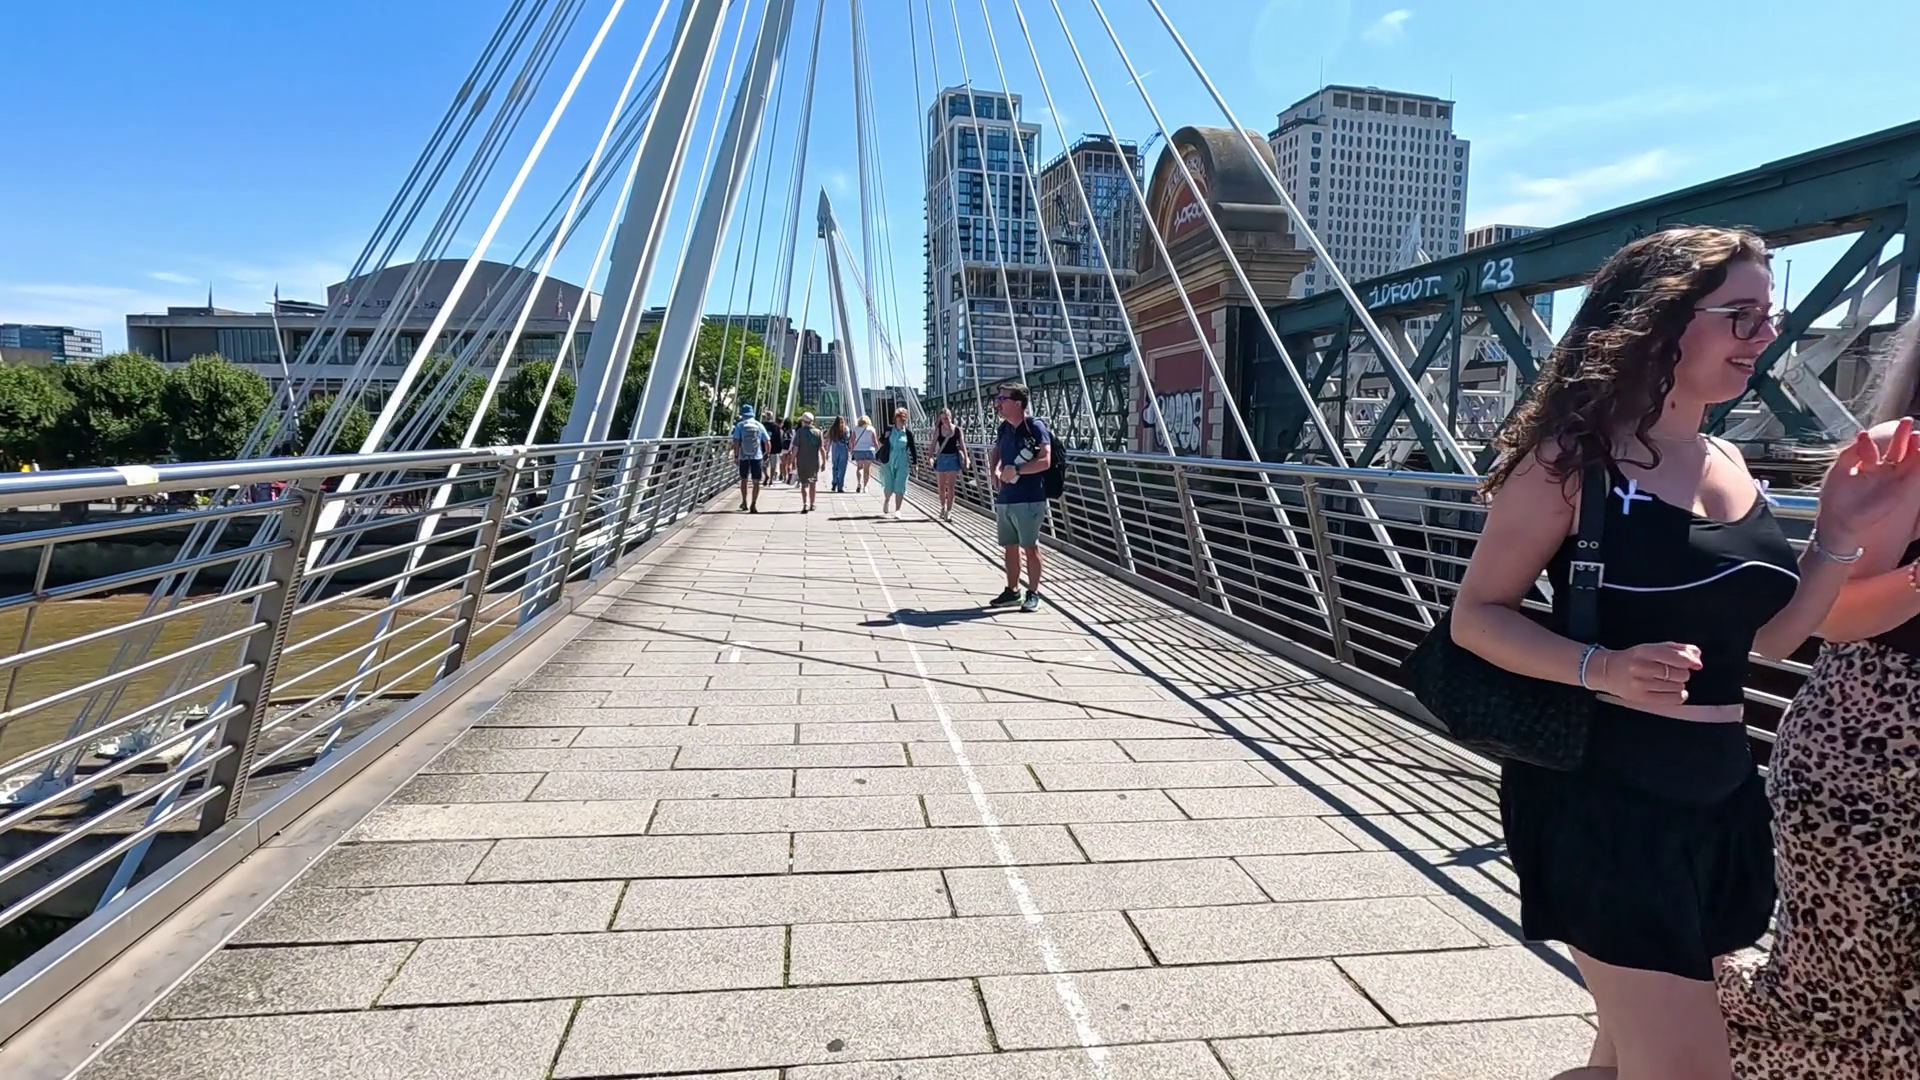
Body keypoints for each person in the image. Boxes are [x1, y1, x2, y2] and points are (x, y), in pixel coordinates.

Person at [1448, 226, 1916, 1080]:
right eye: (1741, 315)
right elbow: (1476, 617)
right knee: (1690, 1066)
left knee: (1627, 1058)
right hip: (1604, 798)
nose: (1764, 336)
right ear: (1660, 321)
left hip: (1718, 795)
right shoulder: (1572, 462)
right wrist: (1602, 668)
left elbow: (1772, 639)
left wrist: (1840, 530)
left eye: (1768, 317)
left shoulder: (1728, 460)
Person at [1718, 321, 1920, 1079]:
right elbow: (1829, 617)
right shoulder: (1902, 451)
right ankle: (1667, 1011)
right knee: (1831, 1000)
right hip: (1873, 762)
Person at [987, 383, 1050, 613]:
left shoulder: (1035, 427)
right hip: (1006, 496)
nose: (998, 403)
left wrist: (1018, 470)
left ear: (1017, 403)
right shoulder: (1004, 428)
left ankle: (1033, 593)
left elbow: (1045, 460)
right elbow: (997, 451)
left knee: (1030, 546)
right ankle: (1012, 591)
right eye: (998, 398)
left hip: (1029, 497)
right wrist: (994, 470)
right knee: (1010, 546)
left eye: (1002, 399)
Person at [728, 403, 770, 513]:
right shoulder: (759, 425)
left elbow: (736, 441)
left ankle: (744, 502)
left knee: (744, 480)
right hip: (757, 456)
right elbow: (767, 441)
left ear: (742, 414)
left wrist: (736, 456)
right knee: (756, 481)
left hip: (744, 456)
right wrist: (767, 453)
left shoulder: (740, 425)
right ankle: (754, 504)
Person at [876, 406, 916, 519]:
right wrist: (885, 437)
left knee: (900, 485)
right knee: (888, 485)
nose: (902, 420)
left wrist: (915, 463)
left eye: (904, 418)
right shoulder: (889, 429)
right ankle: (887, 500)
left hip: (902, 461)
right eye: (900, 418)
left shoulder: (908, 433)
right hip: (889, 460)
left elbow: (912, 448)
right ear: (896, 419)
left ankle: (898, 510)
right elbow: (881, 440)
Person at [931, 407, 968, 521]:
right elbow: (933, 444)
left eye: (946, 418)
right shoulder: (939, 430)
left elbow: (962, 445)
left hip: (953, 458)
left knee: (951, 486)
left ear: (950, 417)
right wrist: (930, 456)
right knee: (941, 486)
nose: (945, 421)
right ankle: (943, 506)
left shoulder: (957, 430)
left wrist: (966, 459)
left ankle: (949, 511)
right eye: (943, 419)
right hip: (942, 458)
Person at [791, 412, 826, 514]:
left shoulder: (799, 432)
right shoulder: (818, 432)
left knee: (804, 484)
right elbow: (822, 449)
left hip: (802, 461)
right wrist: (824, 462)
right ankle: (812, 503)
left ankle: (805, 503)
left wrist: (792, 460)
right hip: (814, 462)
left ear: (803, 421)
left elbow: (795, 448)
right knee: (813, 483)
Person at [850, 415, 879, 493]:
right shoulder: (871, 429)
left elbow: (852, 440)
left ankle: (859, 483)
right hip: (869, 450)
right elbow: (875, 441)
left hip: (858, 450)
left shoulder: (856, 429)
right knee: (867, 469)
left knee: (859, 468)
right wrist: (877, 449)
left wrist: (852, 449)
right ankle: (865, 487)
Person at [826, 416, 851, 493]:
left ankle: (834, 482)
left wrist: (827, 452)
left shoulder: (832, 429)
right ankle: (840, 486)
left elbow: (829, 441)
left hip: (834, 448)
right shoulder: (846, 429)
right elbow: (848, 439)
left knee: (835, 467)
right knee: (842, 468)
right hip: (843, 448)